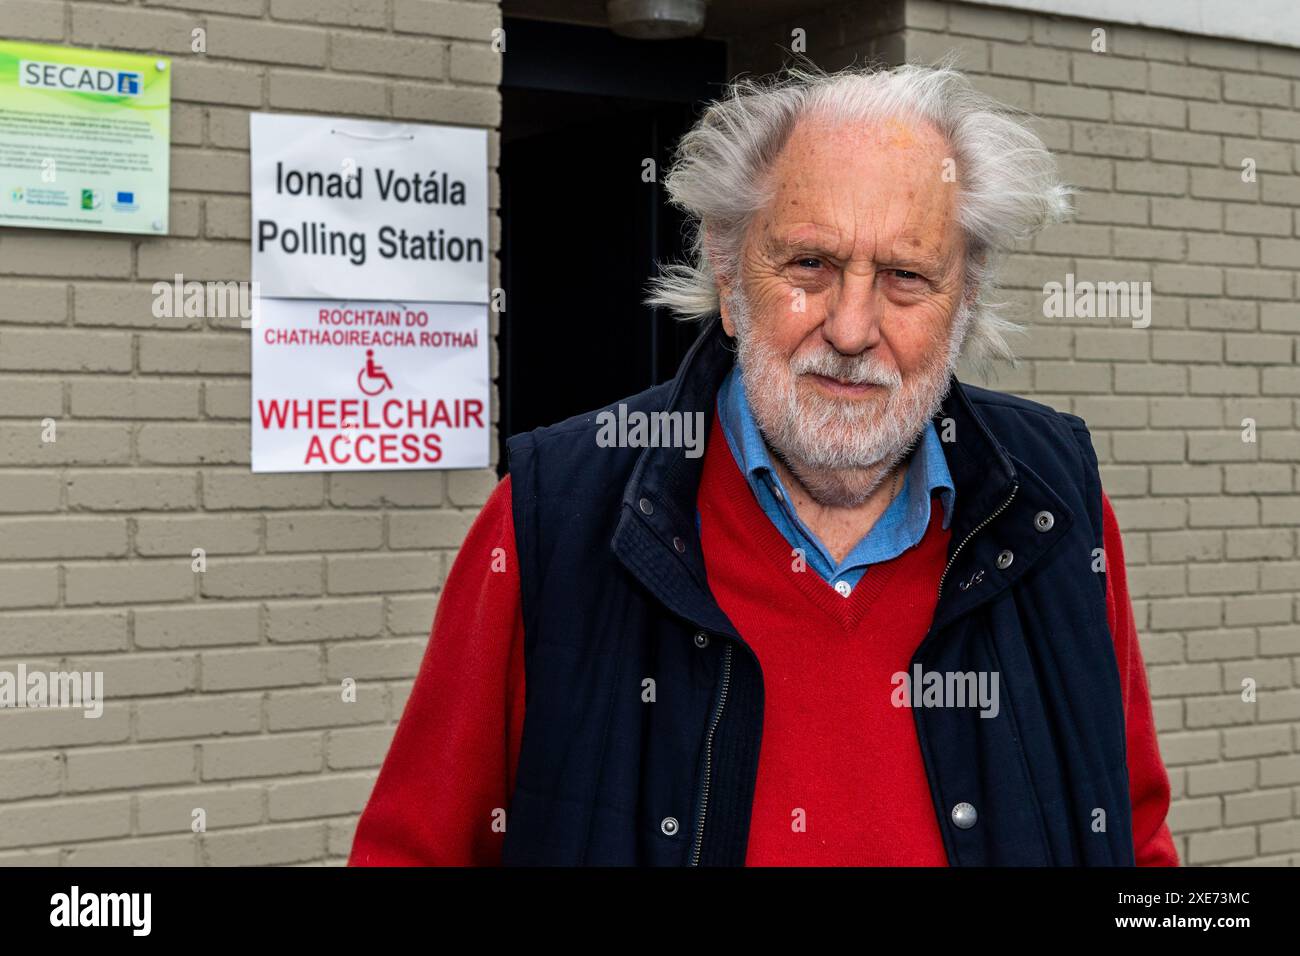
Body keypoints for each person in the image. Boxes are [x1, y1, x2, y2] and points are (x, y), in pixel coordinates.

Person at [349, 63, 1178, 867]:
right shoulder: (551, 517)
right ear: (725, 266)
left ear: (966, 298)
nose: (851, 330)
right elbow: (413, 852)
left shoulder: (1054, 505)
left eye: (905, 276)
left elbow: (1136, 842)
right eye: (809, 265)